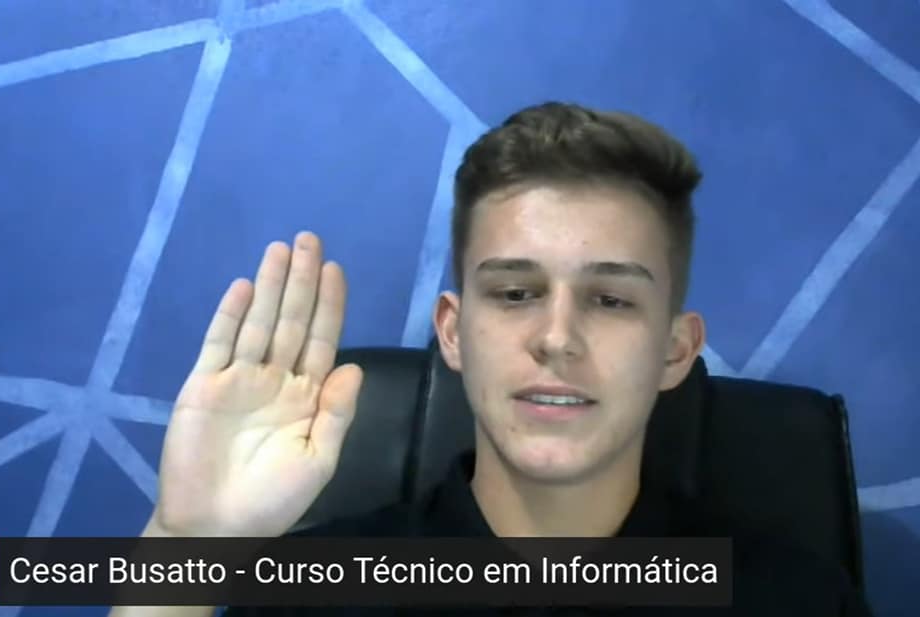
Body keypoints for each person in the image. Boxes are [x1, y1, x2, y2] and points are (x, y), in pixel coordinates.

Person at [108, 103, 872, 616]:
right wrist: (181, 545)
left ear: (676, 350)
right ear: (453, 331)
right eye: (514, 293)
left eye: (610, 299)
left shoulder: (799, 600)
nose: (557, 336)